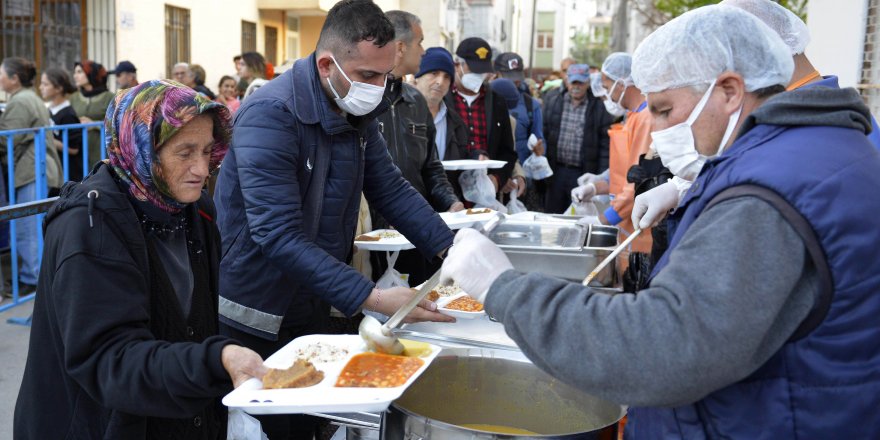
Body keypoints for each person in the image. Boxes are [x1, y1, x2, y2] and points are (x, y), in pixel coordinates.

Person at [440, 5, 880, 438]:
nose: (657, 128)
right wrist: (691, 189)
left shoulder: (771, 191)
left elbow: (659, 348)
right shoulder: (817, 149)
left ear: (729, 91)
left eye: (666, 110)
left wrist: (503, 286)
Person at [213, 1, 455, 437]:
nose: (379, 88)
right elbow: (277, 234)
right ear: (327, 64)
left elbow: (391, 188)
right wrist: (374, 298)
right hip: (259, 307)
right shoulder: (270, 114)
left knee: (315, 422)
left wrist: (452, 251)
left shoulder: (356, 111)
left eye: (386, 76)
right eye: (368, 76)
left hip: (315, 297)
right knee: (277, 424)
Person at [14, 80, 267, 440]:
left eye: (207, 151)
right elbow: (110, 360)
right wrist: (215, 361)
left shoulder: (194, 209)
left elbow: (195, 324)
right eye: (185, 152)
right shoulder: (89, 225)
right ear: (142, 148)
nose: (201, 169)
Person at [371, 10, 463, 286]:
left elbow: (431, 167)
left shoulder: (416, 102)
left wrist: (451, 201)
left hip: (416, 229)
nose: (424, 51)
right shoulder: (365, 99)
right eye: (420, 42)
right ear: (400, 47)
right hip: (374, 238)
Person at [572, 52, 653, 254]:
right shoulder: (633, 117)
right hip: (627, 221)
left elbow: (639, 181)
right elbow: (625, 172)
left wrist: (603, 220)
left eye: (607, 88)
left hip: (639, 226)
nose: (607, 96)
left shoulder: (645, 119)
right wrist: (596, 187)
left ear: (623, 83)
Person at [0, 58, 63, 294]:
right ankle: (35, 276)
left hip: (31, 169)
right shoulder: (29, 97)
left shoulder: (20, 101)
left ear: (14, 78)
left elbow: (6, 139)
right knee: (32, 226)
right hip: (37, 167)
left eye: (1, 74)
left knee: (27, 227)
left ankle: (32, 278)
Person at [445, 37, 517, 199]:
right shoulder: (443, 99)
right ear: (458, 65)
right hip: (448, 191)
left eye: (482, 71)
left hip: (486, 195)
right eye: (474, 70)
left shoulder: (497, 102)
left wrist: (497, 179)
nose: (479, 76)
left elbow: (507, 152)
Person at [541, 63, 613, 213]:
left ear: (588, 83)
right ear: (567, 81)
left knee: (578, 215)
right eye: (573, 82)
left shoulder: (599, 107)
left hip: (583, 172)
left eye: (581, 83)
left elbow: (605, 146)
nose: (576, 86)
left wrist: (599, 177)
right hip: (556, 170)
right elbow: (545, 132)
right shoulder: (553, 100)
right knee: (553, 214)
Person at [413, 47, 470, 201]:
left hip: (446, 210)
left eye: (446, 77)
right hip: (407, 209)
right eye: (434, 73)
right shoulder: (398, 113)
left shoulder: (456, 122)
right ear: (417, 76)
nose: (440, 82)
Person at [39, 67, 85, 182]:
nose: (41, 88)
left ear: (59, 88)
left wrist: (49, 140)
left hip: (68, 173)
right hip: (53, 170)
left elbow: (74, 149)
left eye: (45, 84)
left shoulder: (68, 114)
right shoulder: (48, 109)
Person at [70, 60, 114, 167]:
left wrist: (95, 125)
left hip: (100, 149)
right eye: (75, 72)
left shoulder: (109, 97)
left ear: (91, 74)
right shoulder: (74, 97)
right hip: (79, 151)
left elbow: (117, 124)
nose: (75, 76)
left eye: (79, 72)